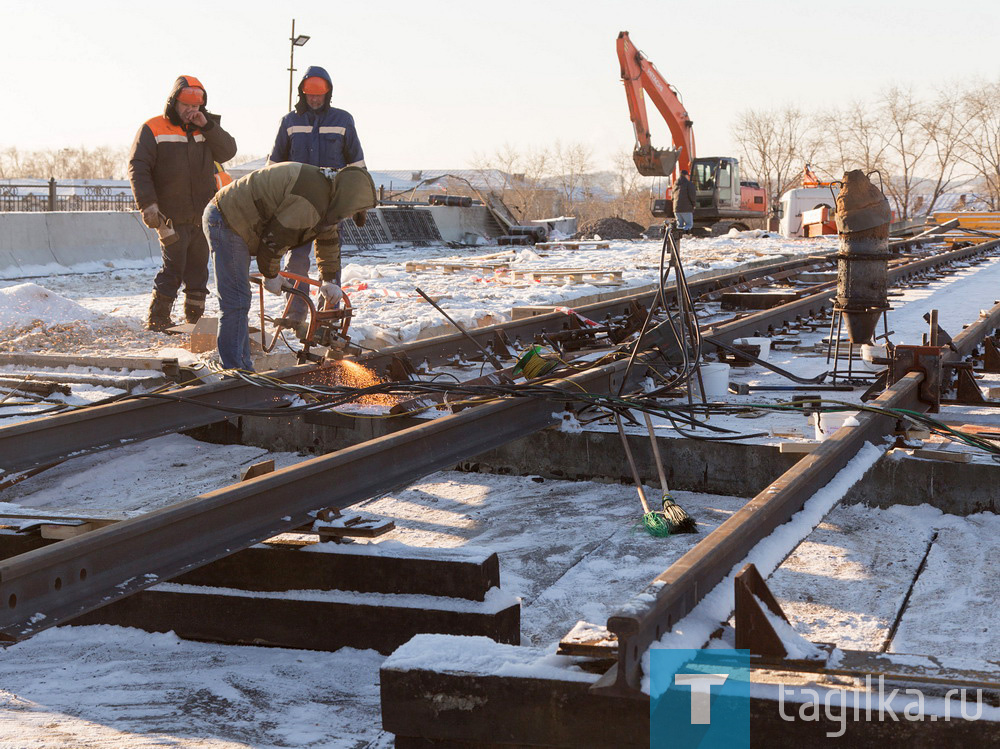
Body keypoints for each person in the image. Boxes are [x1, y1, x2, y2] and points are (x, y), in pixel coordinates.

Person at [202, 163, 376, 371]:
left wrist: (329, 279)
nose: (349, 217)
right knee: (236, 300)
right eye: (352, 211)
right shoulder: (309, 201)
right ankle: (235, 371)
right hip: (227, 218)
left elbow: (328, 240)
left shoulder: (330, 196)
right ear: (347, 199)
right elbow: (274, 240)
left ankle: (242, 368)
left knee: (240, 300)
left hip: (247, 223)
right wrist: (271, 274)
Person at [129, 76, 238, 331]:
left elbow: (228, 151)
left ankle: (195, 320)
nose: (191, 111)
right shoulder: (154, 128)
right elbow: (139, 167)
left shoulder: (207, 128)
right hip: (169, 216)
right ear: (174, 102)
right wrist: (148, 205)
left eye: (196, 106)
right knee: (174, 267)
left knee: (199, 270)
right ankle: (158, 318)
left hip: (203, 215)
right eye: (186, 105)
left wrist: (207, 125)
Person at [268, 66, 366, 324]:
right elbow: (274, 165)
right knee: (296, 261)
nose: (314, 98)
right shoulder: (290, 122)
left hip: (331, 204)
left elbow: (356, 164)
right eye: (309, 93)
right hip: (297, 204)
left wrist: (360, 202)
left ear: (328, 92)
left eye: (319, 93)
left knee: (330, 261)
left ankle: (327, 315)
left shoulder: (343, 120)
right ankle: (294, 313)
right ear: (302, 92)